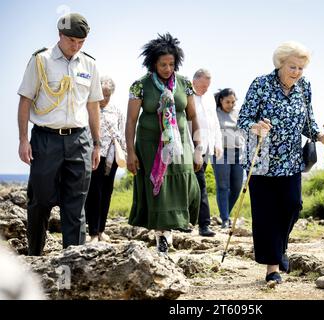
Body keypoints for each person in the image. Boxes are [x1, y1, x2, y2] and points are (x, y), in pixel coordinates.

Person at [237, 41, 324, 284]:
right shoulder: (261, 84)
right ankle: (273, 268)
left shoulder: (304, 87)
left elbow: (307, 122)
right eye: (293, 67)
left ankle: (280, 248)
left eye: (301, 68)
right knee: (266, 215)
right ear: (280, 63)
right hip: (262, 159)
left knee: (292, 205)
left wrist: (320, 136)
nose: (297, 72)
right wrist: (256, 126)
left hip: (291, 161)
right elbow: (243, 118)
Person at [17, 13, 103, 256]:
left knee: (75, 205)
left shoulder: (90, 64)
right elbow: (25, 100)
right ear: (60, 35)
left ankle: (73, 263)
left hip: (79, 140)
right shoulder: (40, 60)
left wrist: (96, 144)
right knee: (41, 200)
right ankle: (35, 256)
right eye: (72, 41)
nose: (76, 46)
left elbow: (93, 105)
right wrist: (24, 139)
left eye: (81, 42)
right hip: (46, 139)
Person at [126, 33, 202, 255]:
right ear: (153, 63)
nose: (167, 68)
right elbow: (131, 121)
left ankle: (170, 231)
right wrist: (130, 152)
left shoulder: (185, 84)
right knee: (158, 188)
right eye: (162, 64)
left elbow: (193, 117)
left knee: (189, 186)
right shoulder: (140, 86)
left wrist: (198, 149)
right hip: (150, 146)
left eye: (171, 64)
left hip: (179, 145)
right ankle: (163, 236)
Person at [85, 76, 126, 243]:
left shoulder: (117, 110)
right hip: (94, 155)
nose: (104, 98)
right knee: (94, 193)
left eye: (107, 95)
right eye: (101, 94)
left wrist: (125, 153)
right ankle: (93, 232)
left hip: (112, 157)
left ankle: (102, 230)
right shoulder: (88, 107)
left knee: (107, 192)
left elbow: (122, 133)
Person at [192, 69, 222, 237]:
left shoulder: (209, 96)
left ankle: (200, 224)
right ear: (194, 81)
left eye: (208, 86)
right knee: (195, 186)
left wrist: (217, 143)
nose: (205, 89)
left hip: (207, 148)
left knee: (199, 186)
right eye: (203, 85)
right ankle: (198, 224)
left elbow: (214, 122)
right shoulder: (187, 96)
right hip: (192, 147)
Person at [213, 88, 244, 229]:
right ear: (221, 100)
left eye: (233, 102)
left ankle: (224, 214)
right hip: (221, 153)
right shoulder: (214, 114)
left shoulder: (238, 114)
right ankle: (225, 219)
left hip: (238, 153)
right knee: (223, 186)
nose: (230, 105)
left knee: (237, 187)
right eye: (227, 102)